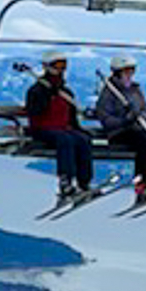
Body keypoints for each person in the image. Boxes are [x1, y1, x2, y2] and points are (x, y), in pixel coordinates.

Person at [94, 60, 146, 201]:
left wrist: (140, 116)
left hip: (138, 128)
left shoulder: (135, 90)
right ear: (118, 73)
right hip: (120, 132)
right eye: (126, 72)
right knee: (144, 145)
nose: (129, 75)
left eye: (131, 71)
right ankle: (143, 185)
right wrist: (125, 120)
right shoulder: (109, 93)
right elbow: (105, 118)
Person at [22, 54, 97, 201]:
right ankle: (66, 182)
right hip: (42, 129)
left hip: (62, 128)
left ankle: (84, 182)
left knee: (83, 140)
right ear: (48, 67)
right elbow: (34, 112)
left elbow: (72, 117)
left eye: (63, 66)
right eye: (57, 66)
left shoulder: (66, 92)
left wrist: (79, 130)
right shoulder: (37, 90)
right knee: (66, 140)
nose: (61, 70)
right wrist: (47, 96)